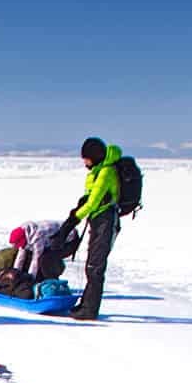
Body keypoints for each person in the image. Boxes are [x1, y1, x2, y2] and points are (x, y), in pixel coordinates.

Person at [60, 136, 121, 321]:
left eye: (86, 158)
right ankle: (86, 304)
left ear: (94, 156)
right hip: (98, 221)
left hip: (106, 221)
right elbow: (91, 197)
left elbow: (94, 203)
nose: (84, 162)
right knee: (91, 265)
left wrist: (73, 219)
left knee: (95, 266)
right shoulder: (98, 171)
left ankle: (90, 309)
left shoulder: (106, 172)